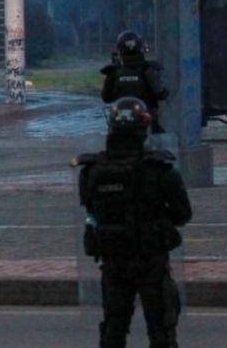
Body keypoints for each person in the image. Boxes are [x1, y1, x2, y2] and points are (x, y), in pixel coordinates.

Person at [74, 97, 193, 348]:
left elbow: (90, 210)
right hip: (151, 260)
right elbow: (183, 214)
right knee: (161, 331)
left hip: (113, 261)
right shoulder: (160, 169)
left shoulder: (91, 171)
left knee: (113, 330)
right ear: (144, 127)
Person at [100, 30, 168, 133]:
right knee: (159, 138)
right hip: (143, 118)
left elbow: (106, 98)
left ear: (120, 50)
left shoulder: (113, 71)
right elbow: (159, 93)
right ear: (140, 48)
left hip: (120, 121)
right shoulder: (147, 68)